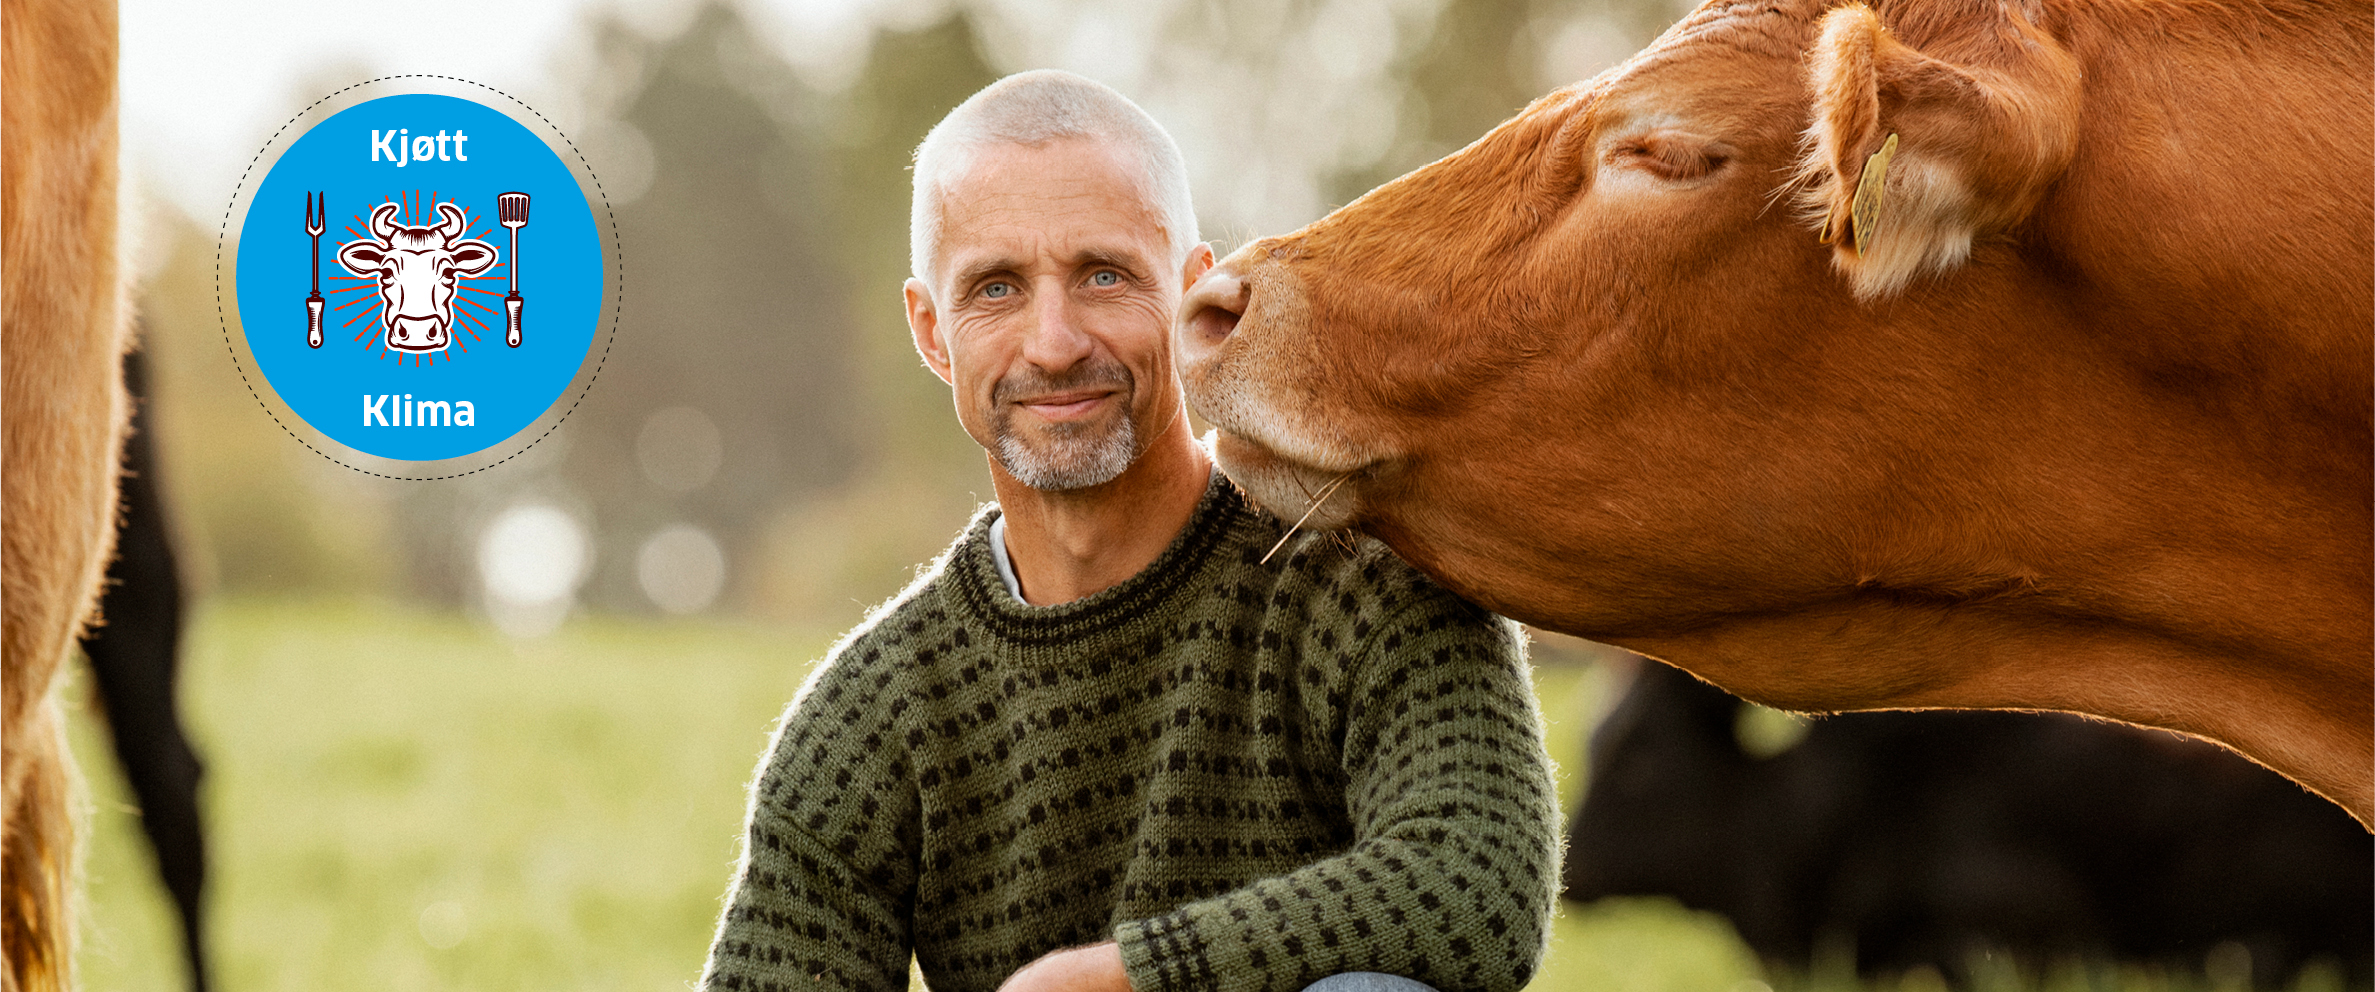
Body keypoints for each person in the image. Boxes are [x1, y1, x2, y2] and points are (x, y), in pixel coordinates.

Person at [697, 70, 1558, 992]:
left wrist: (1116, 978)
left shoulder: (1373, 576)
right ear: (931, 330)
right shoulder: (874, 713)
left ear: (1194, 296)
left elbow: (1471, 893)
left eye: (1103, 276)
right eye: (995, 289)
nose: (1055, 342)